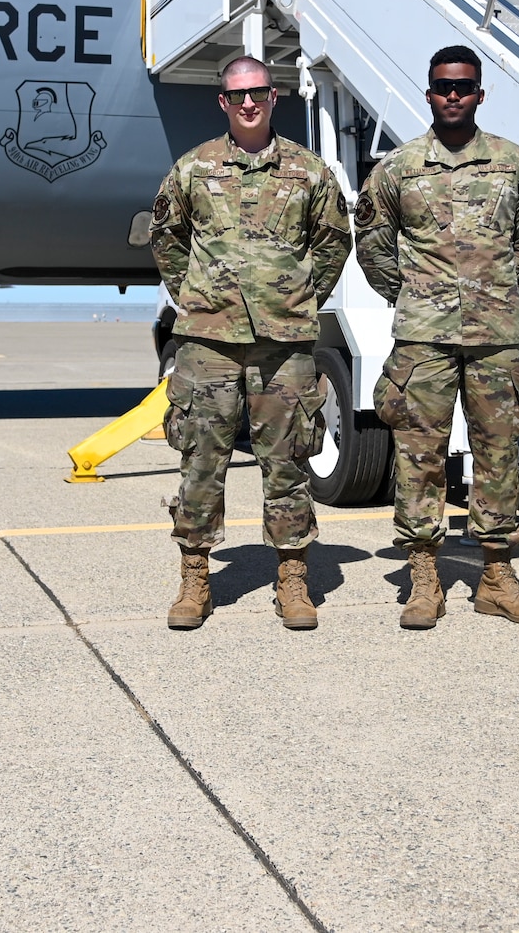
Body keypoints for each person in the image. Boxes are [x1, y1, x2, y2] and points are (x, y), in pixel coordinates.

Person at [354, 44, 519, 629]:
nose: (453, 95)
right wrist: (412, 296)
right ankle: (424, 576)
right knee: (419, 455)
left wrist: (493, 290)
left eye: (463, 86)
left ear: (480, 94)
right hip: (423, 338)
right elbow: (372, 245)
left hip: (494, 334)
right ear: (429, 92)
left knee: (499, 452)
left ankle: (496, 575)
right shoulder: (398, 168)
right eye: (443, 86)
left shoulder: (515, 164)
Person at [149, 56, 351, 630]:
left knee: (286, 460)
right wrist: (197, 293)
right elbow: (167, 239)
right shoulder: (193, 168)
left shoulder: (308, 172)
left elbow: (334, 242)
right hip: (208, 339)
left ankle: (292, 579)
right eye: (237, 94)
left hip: (283, 342)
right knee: (201, 459)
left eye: (258, 92)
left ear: (273, 96)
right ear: (222, 101)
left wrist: (295, 296)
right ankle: (195, 580)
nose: (247, 103)